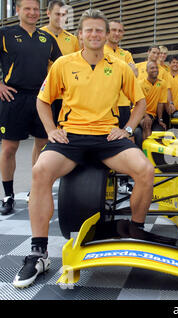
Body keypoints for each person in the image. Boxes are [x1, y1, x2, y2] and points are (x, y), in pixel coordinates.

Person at [12, 9, 153, 289]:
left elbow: (140, 103)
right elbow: (42, 101)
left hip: (107, 138)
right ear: (80, 35)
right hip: (71, 137)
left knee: (145, 170)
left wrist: (126, 130)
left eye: (99, 30)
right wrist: (51, 130)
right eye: (89, 30)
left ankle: (136, 232)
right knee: (40, 171)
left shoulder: (120, 65)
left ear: (106, 34)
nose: (94, 35)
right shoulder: (63, 64)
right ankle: (38, 252)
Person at [0, 0, 62, 215]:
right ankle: (8, 195)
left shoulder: (47, 38)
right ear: (17, 10)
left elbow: (62, 65)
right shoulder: (5, 33)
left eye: (35, 9)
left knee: (43, 145)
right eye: (27, 8)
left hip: (41, 99)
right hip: (13, 97)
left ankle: (34, 190)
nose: (32, 12)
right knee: (9, 148)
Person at [104, 20, 139, 195]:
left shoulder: (126, 53)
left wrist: (124, 71)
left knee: (127, 141)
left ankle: (124, 181)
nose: (117, 34)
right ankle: (105, 180)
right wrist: (126, 70)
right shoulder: (100, 50)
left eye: (120, 31)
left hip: (125, 104)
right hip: (106, 105)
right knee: (107, 140)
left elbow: (135, 74)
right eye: (113, 30)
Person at [41, 0, 80, 127]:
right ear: (48, 13)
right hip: (45, 94)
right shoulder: (38, 35)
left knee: (65, 134)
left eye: (64, 15)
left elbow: (78, 65)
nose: (60, 18)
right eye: (57, 14)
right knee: (43, 138)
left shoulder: (73, 39)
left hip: (66, 95)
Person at [138, 61, 168, 140]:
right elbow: (139, 103)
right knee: (146, 123)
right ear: (147, 70)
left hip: (151, 114)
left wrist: (160, 119)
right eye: (152, 68)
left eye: (156, 68)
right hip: (138, 112)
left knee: (148, 122)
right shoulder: (140, 84)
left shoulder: (162, 83)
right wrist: (146, 116)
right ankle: (146, 150)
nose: (155, 70)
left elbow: (160, 103)